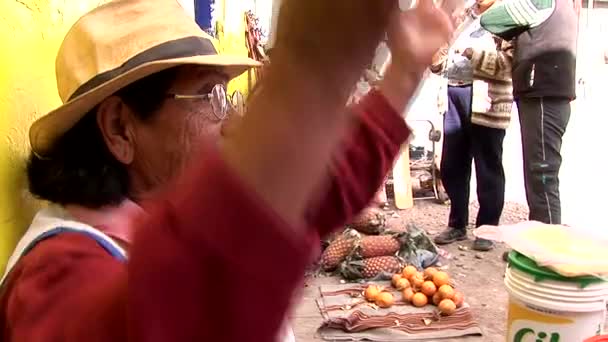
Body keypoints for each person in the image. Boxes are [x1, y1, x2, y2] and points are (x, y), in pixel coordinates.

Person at [0, 0, 453, 341]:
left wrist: (406, 69)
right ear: (120, 128)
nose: (231, 119)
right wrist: (313, 67)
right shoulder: (52, 277)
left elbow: (302, 193)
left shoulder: (165, 211)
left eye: (226, 95)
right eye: (208, 97)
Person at [480, 0, 578, 224]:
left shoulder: (540, 1)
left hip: (543, 96)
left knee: (542, 175)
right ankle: (539, 241)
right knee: (539, 175)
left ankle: (547, 247)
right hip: (547, 96)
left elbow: (490, 19)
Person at [430, 0, 514, 251]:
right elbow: (442, 54)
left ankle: (487, 229)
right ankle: (457, 223)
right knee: (452, 165)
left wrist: (470, 53)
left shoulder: (508, 17)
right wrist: (436, 58)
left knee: (488, 166)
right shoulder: (464, 17)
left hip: (487, 99)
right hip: (454, 95)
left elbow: (508, 64)